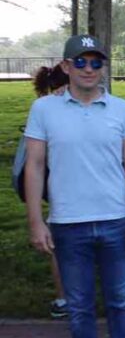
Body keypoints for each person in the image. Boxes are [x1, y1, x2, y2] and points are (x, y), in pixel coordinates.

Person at [24, 35, 125, 338]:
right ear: (66, 67)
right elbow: (34, 166)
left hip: (115, 219)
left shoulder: (122, 109)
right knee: (78, 307)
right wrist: (35, 220)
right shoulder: (45, 110)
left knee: (121, 303)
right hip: (68, 223)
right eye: (81, 62)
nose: (90, 69)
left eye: (96, 62)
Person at [29, 64, 70, 318]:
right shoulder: (48, 110)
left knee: (59, 244)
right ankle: (65, 297)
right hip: (62, 186)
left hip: (56, 186)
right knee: (62, 242)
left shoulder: (44, 107)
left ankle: (63, 298)